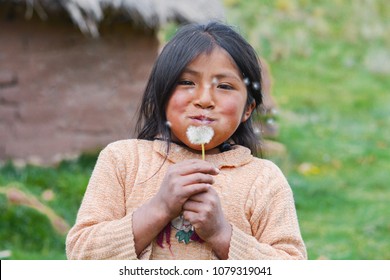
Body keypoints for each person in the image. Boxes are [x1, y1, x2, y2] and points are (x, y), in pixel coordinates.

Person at [66, 21, 307, 260]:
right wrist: (160, 208)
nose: (204, 99)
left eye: (224, 86)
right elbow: (81, 255)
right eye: (187, 82)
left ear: (247, 109)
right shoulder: (123, 160)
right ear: (161, 96)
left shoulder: (264, 180)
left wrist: (222, 234)